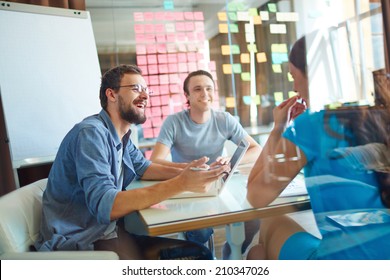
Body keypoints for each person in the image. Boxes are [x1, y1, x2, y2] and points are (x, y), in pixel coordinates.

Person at [34, 65, 230, 260]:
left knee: (200, 253)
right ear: (111, 94)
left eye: (146, 90)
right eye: (136, 89)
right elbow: (106, 205)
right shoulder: (91, 134)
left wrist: (190, 170)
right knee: (200, 256)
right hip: (81, 238)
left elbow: (143, 168)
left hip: (107, 230)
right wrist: (181, 183)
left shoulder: (122, 134)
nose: (145, 96)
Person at [246, 36, 390, 259]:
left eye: (294, 76)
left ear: (313, 75)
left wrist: (279, 129)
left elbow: (256, 196)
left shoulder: (312, 125)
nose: (294, 86)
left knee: (264, 231)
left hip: (348, 263)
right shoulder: (381, 115)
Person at [150, 69, 262, 259]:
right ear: (187, 95)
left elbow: (255, 149)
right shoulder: (174, 122)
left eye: (209, 88)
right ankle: (203, 256)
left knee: (252, 220)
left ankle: (229, 254)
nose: (205, 94)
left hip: (220, 185)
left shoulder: (224, 119)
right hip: (189, 190)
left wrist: (230, 160)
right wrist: (190, 169)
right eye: (197, 89)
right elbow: (155, 161)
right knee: (201, 232)